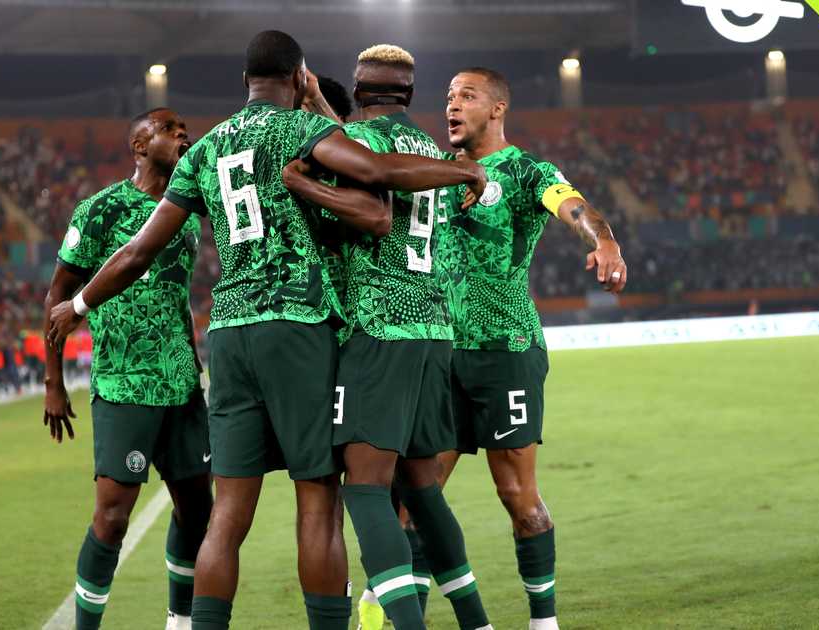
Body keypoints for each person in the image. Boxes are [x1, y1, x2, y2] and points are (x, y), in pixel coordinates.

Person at [47, 30, 486, 630]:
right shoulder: (300, 130)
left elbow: (138, 250)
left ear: (246, 80)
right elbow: (379, 171)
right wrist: (460, 173)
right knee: (318, 498)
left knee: (227, 512)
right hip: (297, 327)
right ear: (298, 75)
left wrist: (76, 304)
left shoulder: (205, 150)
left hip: (228, 333)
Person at [284, 44, 491, 630]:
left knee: (367, 489)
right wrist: (321, 100)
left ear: (359, 86)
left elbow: (360, 180)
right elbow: (355, 135)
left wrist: (304, 184)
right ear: (409, 94)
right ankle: (478, 623)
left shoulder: (354, 147)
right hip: (434, 331)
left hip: (379, 329)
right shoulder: (427, 148)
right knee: (423, 490)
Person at [438, 67, 628, 630]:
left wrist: (606, 241)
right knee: (414, 495)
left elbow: (575, 208)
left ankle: (543, 622)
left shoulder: (526, 171)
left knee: (516, 494)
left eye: (466, 97)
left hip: (506, 350)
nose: (452, 106)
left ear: (496, 108)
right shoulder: (433, 172)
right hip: (441, 355)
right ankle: (394, 611)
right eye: (448, 97)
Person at [42, 108, 212, 630]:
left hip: (181, 384)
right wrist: (52, 382)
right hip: (123, 382)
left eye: (184, 128)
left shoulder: (186, 212)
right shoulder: (100, 210)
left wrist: (196, 368)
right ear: (139, 146)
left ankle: (179, 623)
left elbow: (178, 298)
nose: (182, 134)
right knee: (113, 519)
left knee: (197, 511)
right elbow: (58, 295)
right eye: (168, 129)